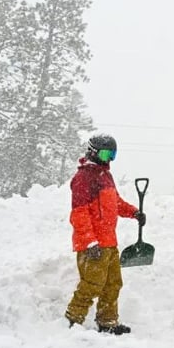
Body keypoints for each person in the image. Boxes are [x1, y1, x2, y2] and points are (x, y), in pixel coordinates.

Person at [65, 133, 146, 335]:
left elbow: (115, 203)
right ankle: (72, 320)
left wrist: (134, 212)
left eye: (113, 154)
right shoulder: (83, 178)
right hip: (93, 246)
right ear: (93, 152)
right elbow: (79, 213)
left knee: (113, 284)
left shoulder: (105, 177)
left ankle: (107, 322)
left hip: (109, 243)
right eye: (105, 153)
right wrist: (90, 242)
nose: (109, 158)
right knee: (91, 285)